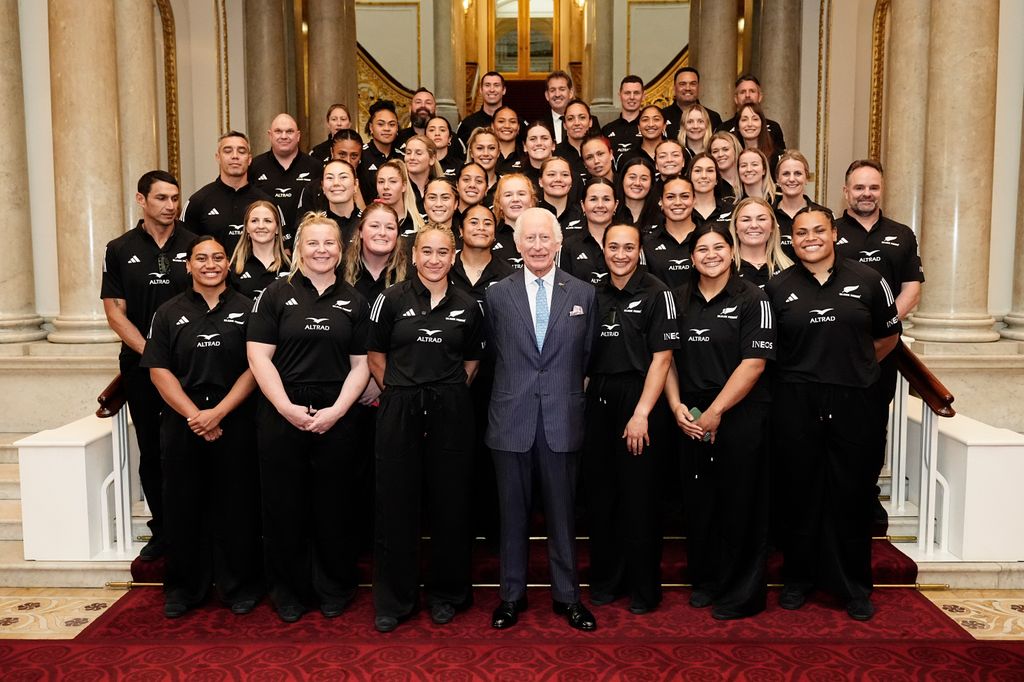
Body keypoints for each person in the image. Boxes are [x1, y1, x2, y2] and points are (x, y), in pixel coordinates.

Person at [765, 207, 902, 622]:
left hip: (854, 403)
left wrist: (854, 367)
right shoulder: (776, 287)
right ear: (791, 239)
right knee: (800, 494)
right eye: (801, 232)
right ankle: (799, 580)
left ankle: (854, 586)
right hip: (796, 402)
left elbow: (887, 336)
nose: (809, 238)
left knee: (853, 494)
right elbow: (769, 352)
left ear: (834, 233)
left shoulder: (868, 279)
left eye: (818, 231)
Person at [246, 212, 371, 623]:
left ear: (341, 249)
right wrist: (285, 408)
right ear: (297, 248)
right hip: (283, 410)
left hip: (338, 412)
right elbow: (258, 356)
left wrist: (337, 411)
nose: (321, 250)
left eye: (329, 243)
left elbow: (361, 365)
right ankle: (290, 591)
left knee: (336, 506)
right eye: (313, 243)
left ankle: (335, 586)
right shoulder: (275, 294)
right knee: (284, 507)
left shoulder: (354, 300)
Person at [486, 207, 599, 632]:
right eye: (528, 238)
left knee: (563, 514)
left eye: (543, 239)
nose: (536, 246)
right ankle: (511, 597)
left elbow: (586, 354)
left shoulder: (583, 294)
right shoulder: (497, 294)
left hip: (561, 418)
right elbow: (494, 351)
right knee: (511, 515)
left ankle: (567, 596)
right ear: (517, 245)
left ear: (558, 244)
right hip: (511, 419)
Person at [367, 223, 485, 632]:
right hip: (399, 407)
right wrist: (400, 392)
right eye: (427, 252)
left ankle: (448, 594)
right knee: (396, 505)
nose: (434, 260)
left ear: (452, 258)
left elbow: (472, 362)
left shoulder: (469, 305)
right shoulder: (390, 299)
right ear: (414, 255)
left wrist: (445, 394)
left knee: (451, 505)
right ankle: (395, 600)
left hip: (451, 410)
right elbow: (375, 355)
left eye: (442, 253)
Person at [142, 235, 262, 618]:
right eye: (201, 258)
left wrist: (219, 413)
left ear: (229, 264)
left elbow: (256, 367)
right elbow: (159, 371)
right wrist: (196, 415)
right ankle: (184, 589)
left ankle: (238, 585)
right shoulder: (167, 312)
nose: (210, 264)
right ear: (188, 266)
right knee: (183, 506)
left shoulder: (249, 309)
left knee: (237, 506)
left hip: (235, 419)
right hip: (183, 421)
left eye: (218, 257)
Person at [664, 221, 776, 620]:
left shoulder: (753, 298)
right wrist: (676, 406)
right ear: (691, 258)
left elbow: (754, 364)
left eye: (718, 248)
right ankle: (707, 581)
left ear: (731, 252)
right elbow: (667, 360)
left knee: (740, 504)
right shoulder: (677, 299)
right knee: (701, 503)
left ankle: (740, 593)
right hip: (691, 417)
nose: (710, 255)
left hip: (740, 414)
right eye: (702, 250)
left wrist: (716, 412)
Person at [102, 170, 197, 561]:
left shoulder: (195, 244)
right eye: (161, 198)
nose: (170, 205)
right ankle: (163, 530)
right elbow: (114, 312)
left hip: (192, 365)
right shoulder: (120, 248)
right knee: (153, 449)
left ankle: (198, 527)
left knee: (191, 445)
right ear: (142, 200)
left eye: (175, 198)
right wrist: (153, 354)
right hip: (141, 366)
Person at [584, 223, 677, 615]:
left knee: (640, 498)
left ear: (640, 251)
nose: (620, 254)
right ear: (603, 250)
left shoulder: (658, 292)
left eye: (628, 247)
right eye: (613, 247)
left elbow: (663, 358)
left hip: (641, 399)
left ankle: (644, 589)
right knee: (601, 496)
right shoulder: (592, 293)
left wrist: (641, 413)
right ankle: (606, 580)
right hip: (598, 399)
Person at [835, 159, 924, 525]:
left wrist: (884, 327)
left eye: (872, 187)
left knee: (873, 424)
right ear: (845, 191)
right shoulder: (829, 230)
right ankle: (834, 494)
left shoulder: (902, 234)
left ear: (881, 190)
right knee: (834, 423)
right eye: (859, 187)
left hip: (881, 350)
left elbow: (911, 288)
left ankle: (867, 495)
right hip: (834, 348)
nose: (866, 194)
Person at [182, 131, 274, 256]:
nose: (235, 156)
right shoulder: (198, 201)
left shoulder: (265, 202)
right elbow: (185, 248)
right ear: (218, 157)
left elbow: (280, 248)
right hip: (213, 273)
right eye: (227, 151)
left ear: (249, 159)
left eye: (241, 151)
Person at [249, 114, 322, 248]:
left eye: (289, 131)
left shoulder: (316, 167)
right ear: (270, 135)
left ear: (298, 136)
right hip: (266, 245)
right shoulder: (254, 167)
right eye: (278, 131)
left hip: (306, 244)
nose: (284, 136)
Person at [342, 203, 409, 314]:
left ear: (397, 235)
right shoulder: (339, 270)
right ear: (361, 232)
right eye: (374, 226)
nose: (382, 233)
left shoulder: (410, 274)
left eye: (390, 227)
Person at [559, 177, 618, 286]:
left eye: (606, 199)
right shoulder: (569, 245)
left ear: (616, 205)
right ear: (583, 205)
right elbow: (561, 287)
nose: (600, 205)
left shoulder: (628, 241)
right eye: (593, 199)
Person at [229, 199, 291, 300]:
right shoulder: (234, 268)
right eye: (254, 221)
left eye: (268, 221)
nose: (261, 226)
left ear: (277, 229)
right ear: (247, 228)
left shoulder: (292, 266)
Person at [643, 175, 697, 289]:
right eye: (670, 197)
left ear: (694, 200)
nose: (678, 202)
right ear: (661, 202)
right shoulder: (647, 242)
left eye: (685, 196)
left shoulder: (707, 238)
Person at [774, 150, 829, 258]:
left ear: (806, 178)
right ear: (777, 180)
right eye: (786, 174)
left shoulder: (823, 214)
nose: (791, 179)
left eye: (798, 173)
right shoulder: (767, 215)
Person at [730, 197, 793, 288]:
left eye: (761, 219)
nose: (754, 225)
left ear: (772, 226)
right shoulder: (725, 269)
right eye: (746, 220)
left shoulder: (787, 269)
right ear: (735, 227)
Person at [720, 75, 786, 152]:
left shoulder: (774, 128)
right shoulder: (724, 129)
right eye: (742, 92)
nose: (747, 95)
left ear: (760, 96)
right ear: (736, 99)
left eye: (752, 91)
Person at [358, 100, 403, 202]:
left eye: (391, 124)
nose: (386, 129)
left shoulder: (403, 157)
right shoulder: (361, 155)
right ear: (371, 127)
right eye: (381, 124)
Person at [662, 67, 722, 141]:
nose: (688, 88)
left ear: (698, 87)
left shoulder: (713, 117)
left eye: (693, 84)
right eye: (682, 84)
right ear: (674, 88)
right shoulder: (662, 116)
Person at [492, 173, 536, 270]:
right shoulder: (490, 237)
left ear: (531, 201)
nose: (515, 199)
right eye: (508, 195)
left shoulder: (544, 235)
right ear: (499, 203)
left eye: (521, 194)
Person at [375, 160, 425, 248]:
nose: (386, 187)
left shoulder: (417, 225)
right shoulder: (369, 221)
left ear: (404, 186)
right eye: (381, 182)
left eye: (393, 181)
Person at [317, 159, 362, 245]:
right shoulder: (312, 226)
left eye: (343, 177)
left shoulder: (368, 222)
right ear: (322, 186)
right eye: (329, 178)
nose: (336, 183)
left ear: (356, 184)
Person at [457, 71, 506, 146]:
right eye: (487, 85)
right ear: (480, 90)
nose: (492, 89)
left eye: (496, 85)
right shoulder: (467, 124)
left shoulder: (515, 123)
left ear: (504, 90)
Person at [602, 75, 645, 160]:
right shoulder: (607, 130)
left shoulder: (648, 128)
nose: (632, 97)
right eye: (627, 93)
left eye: (636, 93)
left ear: (643, 96)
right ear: (620, 95)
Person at [537, 156, 584, 233]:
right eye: (551, 174)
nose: (558, 179)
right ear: (540, 181)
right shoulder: (530, 214)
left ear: (571, 181)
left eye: (565, 175)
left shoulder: (582, 214)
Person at [554, 100, 596, 184]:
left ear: (590, 122)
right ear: (564, 125)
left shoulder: (600, 150)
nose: (577, 123)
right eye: (570, 119)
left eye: (582, 117)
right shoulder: (555, 154)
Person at [613, 155, 660, 231]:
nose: (637, 183)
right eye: (632, 177)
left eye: (644, 179)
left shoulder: (661, 218)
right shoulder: (610, 214)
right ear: (622, 180)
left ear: (651, 184)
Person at [688, 152, 734, 226]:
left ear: (717, 179)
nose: (704, 176)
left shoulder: (732, 211)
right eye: (698, 171)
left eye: (710, 170)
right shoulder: (682, 211)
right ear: (690, 176)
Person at [736, 103, 780, 178]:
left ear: (762, 124)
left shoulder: (776, 157)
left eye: (755, 119)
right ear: (737, 126)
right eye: (744, 120)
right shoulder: (733, 158)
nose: (749, 124)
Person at [617, 105, 667, 171]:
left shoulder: (675, 153)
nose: (651, 124)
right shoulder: (627, 157)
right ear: (639, 127)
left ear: (664, 126)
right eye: (645, 120)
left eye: (656, 119)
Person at [403, 135, 443, 212]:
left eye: (418, 153)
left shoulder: (442, 188)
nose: (412, 157)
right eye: (408, 153)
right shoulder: (399, 187)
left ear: (432, 159)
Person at [466, 127, 501, 203]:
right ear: (471, 153)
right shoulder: (461, 186)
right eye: (480, 148)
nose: (486, 153)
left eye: (491, 148)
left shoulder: (505, 185)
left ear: (498, 152)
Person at [522, 120, 556, 187]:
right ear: (525, 146)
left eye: (544, 138)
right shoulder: (517, 179)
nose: (539, 143)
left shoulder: (568, 176)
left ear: (553, 145)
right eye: (532, 139)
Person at [710, 131, 743, 200]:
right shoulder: (710, 185)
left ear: (735, 150)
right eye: (715, 151)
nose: (720, 155)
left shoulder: (747, 179)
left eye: (725, 149)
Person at [493, 106, 524, 175]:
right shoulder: (486, 155)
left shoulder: (526, 156)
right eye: (501, 121)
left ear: (518, 127)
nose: (507, 126)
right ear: (492, 126)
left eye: (512, 122)